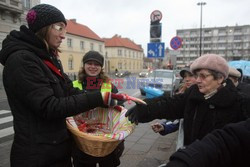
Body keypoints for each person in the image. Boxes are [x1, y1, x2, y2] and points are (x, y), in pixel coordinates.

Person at [0, 4, 114, 167]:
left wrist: (106, 101)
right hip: (37, 156)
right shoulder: (22, 60)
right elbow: (49, 107)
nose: (63, 36)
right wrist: (98, 97)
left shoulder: (47, 58)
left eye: (64, 30)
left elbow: (69, 90)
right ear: (44, 28)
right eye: (59, 28)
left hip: (56, 150)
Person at [126, 54, 246, 147]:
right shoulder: (193, 93)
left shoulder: (238, 105)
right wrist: (145, 109)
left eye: (203, 76)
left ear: (220, 78)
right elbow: (171, 104)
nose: (198, 80)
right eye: (197, 75)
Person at [71, 51, 124, 167]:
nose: (93, 67)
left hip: (105, 141)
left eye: (97, 64)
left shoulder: (108, 86)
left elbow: (121, 106)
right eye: (89, 63)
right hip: (82, 142)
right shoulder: (74, 85)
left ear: (101, 68)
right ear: (84, 65)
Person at [165, 118, 250, 167]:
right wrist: (186, 159)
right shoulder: (192, 95)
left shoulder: (237, 100)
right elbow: (226, 140)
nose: (198, 85)